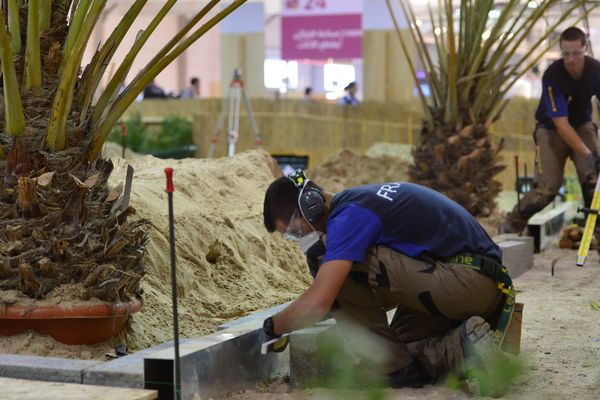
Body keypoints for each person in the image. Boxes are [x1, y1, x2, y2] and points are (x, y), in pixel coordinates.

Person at [262, 170, 515, 392]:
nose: (298, 240)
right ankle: (464, 349)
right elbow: (380, 294)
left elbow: (319, 301)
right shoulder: (360, 202)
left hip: (465, 282)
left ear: (311, 205)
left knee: (335, 267)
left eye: (294, 232)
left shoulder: (347, 218)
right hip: (474, 284)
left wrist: (274, 327)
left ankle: (393, 369)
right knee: (400, 351)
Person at [500, 27, 600, 234]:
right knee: (547, 189)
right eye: (566, 54)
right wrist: (589, 154)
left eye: (576, 53)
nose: (571, 59)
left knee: (594, 181)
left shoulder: (596, 70)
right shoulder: (553, 75)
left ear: (585, 48)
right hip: (551, 129)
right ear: (560, 51)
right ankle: (513, 223)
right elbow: (561, 124)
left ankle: (597, 233)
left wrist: (593, 158)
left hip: (582, 124)